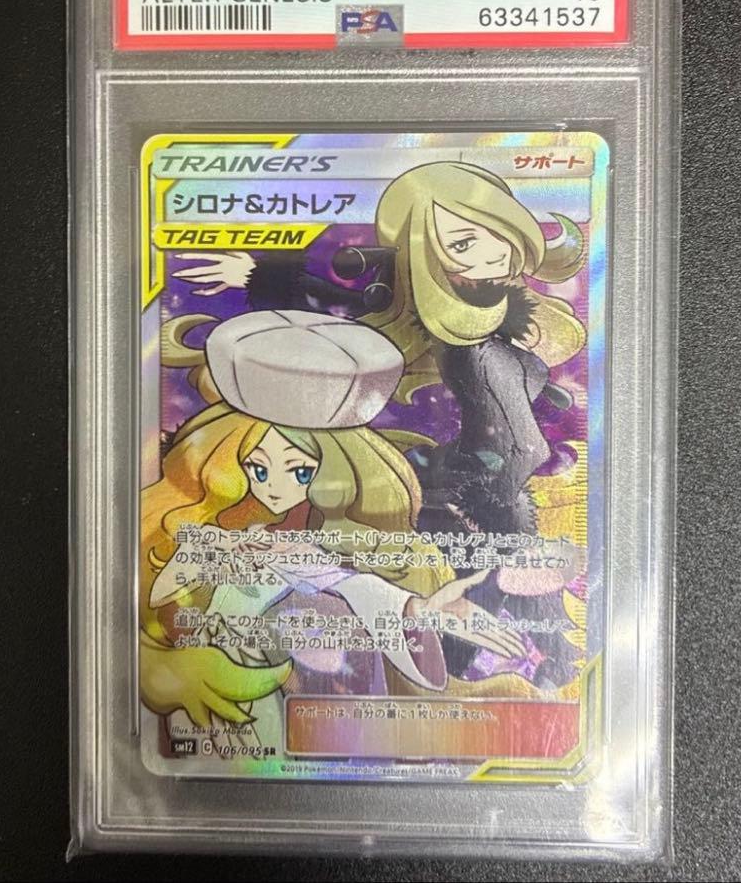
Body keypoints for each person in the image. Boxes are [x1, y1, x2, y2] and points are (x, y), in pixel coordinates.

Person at [140, 309, 524, 752]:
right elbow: (157, 595)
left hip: (267, 693)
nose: (274, 486)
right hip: (204, 690)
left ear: (332, 474)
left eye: (300, 472)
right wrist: (208, 554)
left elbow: (356, 586)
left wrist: (419, 609)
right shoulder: (210, 535)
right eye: (258, 469)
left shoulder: (297, 549)